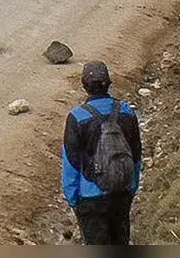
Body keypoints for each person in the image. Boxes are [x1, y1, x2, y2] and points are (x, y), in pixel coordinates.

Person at [62, 61, 143, 245]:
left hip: (90, 197)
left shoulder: (77, 117)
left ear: (84, 85)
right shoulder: (126, 112)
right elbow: (136, 154)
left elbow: (71, 163)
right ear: (109, 83)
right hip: (121, 191)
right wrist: (131, 187)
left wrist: (73, 199)